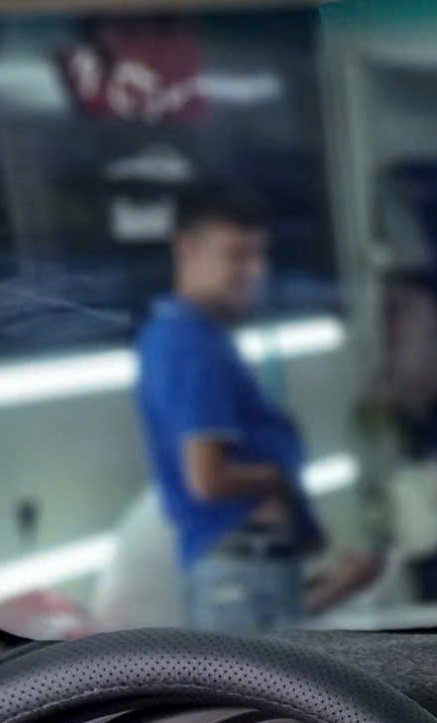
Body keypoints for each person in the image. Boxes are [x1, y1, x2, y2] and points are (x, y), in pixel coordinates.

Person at [134, 181, 378, 632]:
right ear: (186, 249)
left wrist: (335, 578)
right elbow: (207, 478)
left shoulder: (195, 337)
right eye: (235, 255)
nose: (253, 271)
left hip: (250, 573)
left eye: (258, 255)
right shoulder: (190, 343)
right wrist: (277, 479)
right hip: (240, 575)